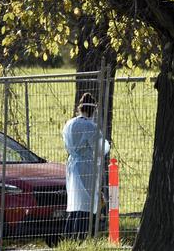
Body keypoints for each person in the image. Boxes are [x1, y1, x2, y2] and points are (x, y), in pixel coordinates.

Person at [62, 92, 110, 240]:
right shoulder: (90, 126)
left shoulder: (69, 124)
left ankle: (68, 236)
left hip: (72, 165)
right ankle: (81, 237)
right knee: (86, 203)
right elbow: (101, 148)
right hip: (86, 167)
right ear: (93, 109)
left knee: (74, 202)